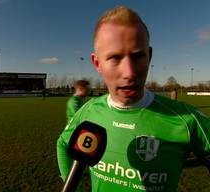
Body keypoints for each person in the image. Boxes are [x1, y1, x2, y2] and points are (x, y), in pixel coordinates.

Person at [57, 6, 210, 192]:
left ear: (149, 56)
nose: (129, 73)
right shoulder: (88, 111)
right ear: (97, 63)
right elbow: (63, 143)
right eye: (115, 58)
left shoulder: (187, 120)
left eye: (138, 56)